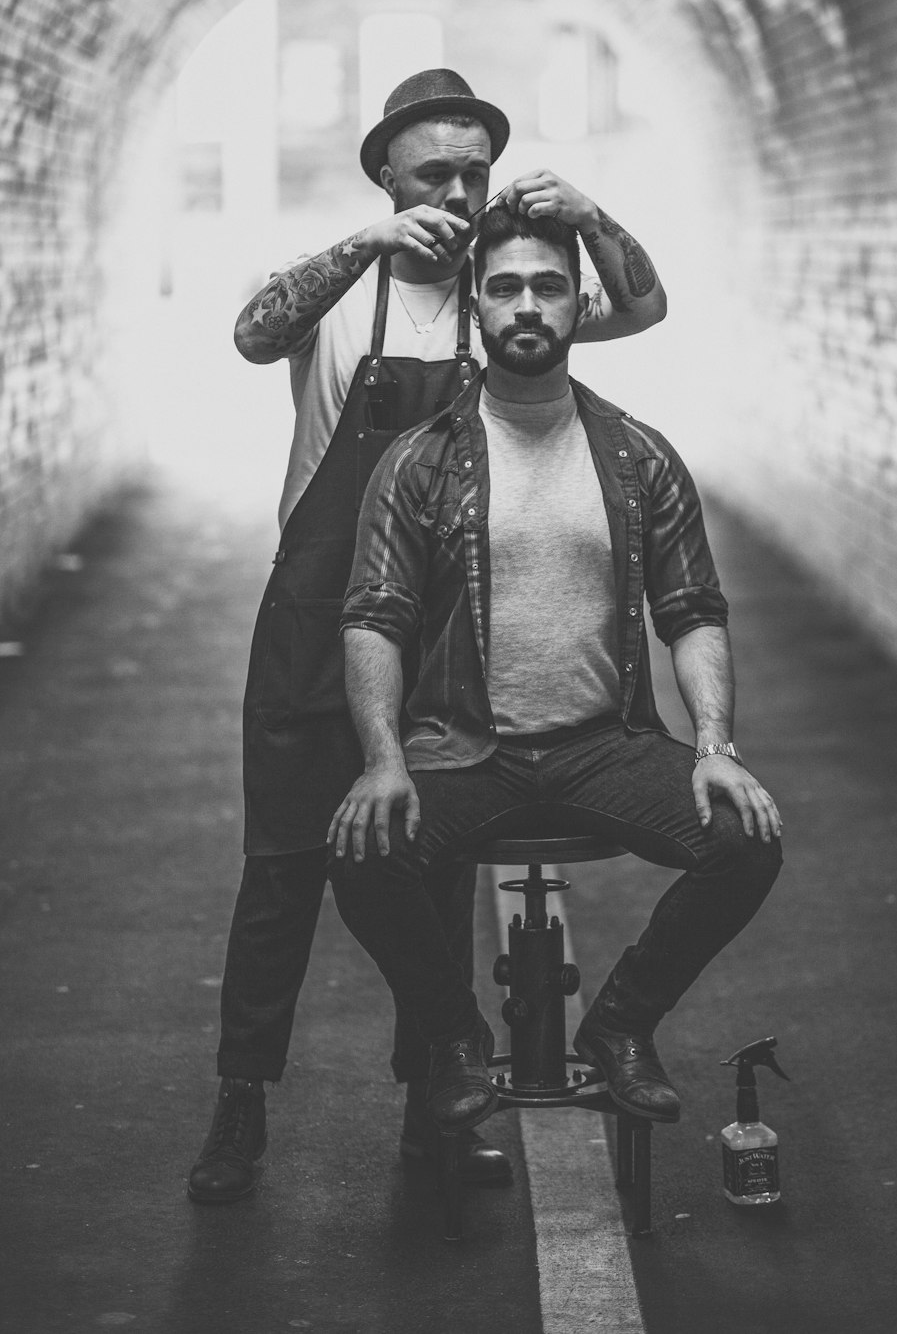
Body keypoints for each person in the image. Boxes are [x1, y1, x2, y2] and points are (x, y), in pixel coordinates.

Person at [187, 69, 669, 1202]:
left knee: (429, 869)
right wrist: (368, 242)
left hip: (443, 633)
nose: (458, 191)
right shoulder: (339, 293)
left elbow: (643, 306)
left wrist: (590, 217)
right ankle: (239, 1102)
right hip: (313, 627)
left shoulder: (504, 296)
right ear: (388, 178)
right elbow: (254, 333)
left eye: (474, 171)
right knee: (283, 873)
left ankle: (434, 1109)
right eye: (433, 173)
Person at [326, 205, 782, 1136]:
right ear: (476, 309)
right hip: (466, 750)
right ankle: (454, 1039)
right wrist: (384, 760)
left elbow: (691, 611)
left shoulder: (640, 455)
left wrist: (713, 745)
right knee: (361, 853)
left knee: (748, 842)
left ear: (579, 302)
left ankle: (617, 1029)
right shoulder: (421, 461)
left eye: (548, 285)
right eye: (504, 288)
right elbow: (374, 617)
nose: (526, 305)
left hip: (604, 746)